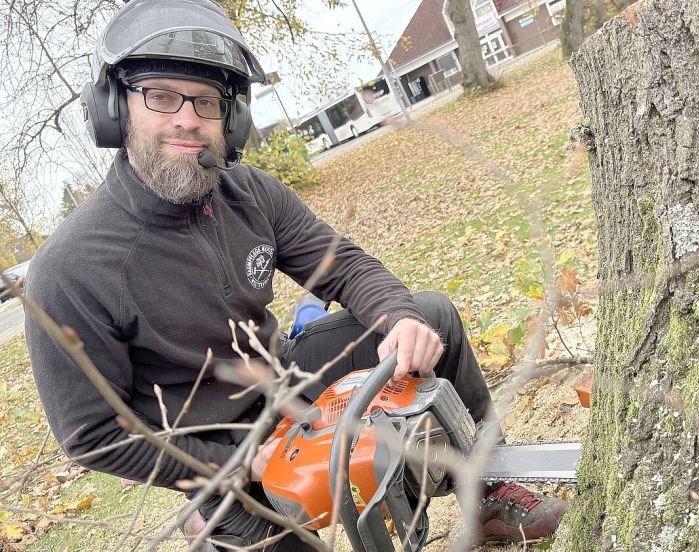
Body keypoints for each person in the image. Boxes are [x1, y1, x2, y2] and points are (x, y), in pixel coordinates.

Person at [24, 0, 564, 549]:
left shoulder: (249, 193)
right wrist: (233, 463)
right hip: (213, 442)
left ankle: (487, 495)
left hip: (288, 383)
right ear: (116, 109)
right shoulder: (70, 270)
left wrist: (398, 320)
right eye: (160, 97)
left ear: (229, 120)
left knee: (431, 316)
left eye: (206, 102)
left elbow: (342, 265)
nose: (186, 118)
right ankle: (212, 523)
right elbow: (92, 437)